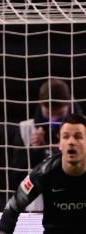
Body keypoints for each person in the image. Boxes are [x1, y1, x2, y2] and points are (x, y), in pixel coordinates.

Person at [10, 79, 82, 211]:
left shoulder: (83, 129)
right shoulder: (26, 129)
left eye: (59, 114)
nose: (53, 120)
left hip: (77, 207)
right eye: (49, 114)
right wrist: (36, 151)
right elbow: (17, 179)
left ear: (69, 104)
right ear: (41, 105)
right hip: (38, 211)